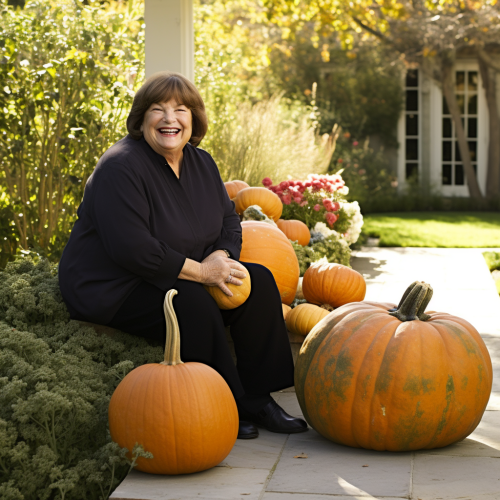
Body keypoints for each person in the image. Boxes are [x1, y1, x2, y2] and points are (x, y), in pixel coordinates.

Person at [58, 72, 307, 440]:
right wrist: (204, 274)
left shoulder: (201, 162)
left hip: (182, 270)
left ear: (194, 119)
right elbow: (132, 249)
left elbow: (228, 221)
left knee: (260, 283)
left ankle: (258, 397)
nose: (169, 119)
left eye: (180, 109)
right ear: (141, 120)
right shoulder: (120, 167)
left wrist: (221, 258)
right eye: (157, 109)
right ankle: (224, 403)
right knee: (190, 303)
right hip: (114, 285)